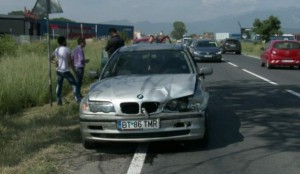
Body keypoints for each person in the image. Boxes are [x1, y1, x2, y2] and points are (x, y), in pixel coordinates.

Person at [51, 36, 81, 106]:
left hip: (58, 71)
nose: (66, 42)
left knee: (59, 85)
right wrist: (75, 72)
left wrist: (55, 62)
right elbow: (70, 62)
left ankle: (59, 101)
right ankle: (77, 99)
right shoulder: (67, 49)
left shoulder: (56, 49)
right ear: (64, 41)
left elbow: (50, 58)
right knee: (74, 84)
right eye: (65, 40)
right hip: (66, 71)